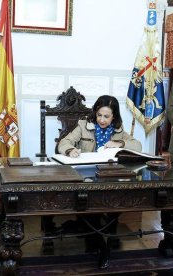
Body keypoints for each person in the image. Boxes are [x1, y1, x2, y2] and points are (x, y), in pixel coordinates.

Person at [58, 94, 141, 268]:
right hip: (87, 176)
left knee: (115, 204)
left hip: (110, 176)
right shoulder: (83, 125)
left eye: (107, 116)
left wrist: (120, 144)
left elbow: (137, 146)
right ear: (95, 113)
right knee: (90, 206)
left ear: (114, 117)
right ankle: (102, 246)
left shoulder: (119, 131)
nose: (102, 120)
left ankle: (104, 239)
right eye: (99, 115)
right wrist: (71, 149)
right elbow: (63, 142)